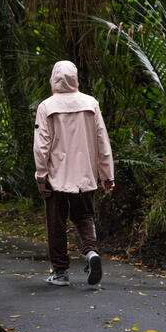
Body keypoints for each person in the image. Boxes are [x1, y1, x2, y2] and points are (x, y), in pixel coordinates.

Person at [33, 60, 114, 286]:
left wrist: (41, 176)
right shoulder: (91, 104)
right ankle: (91, 253)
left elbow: (41, 146)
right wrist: (107, 175)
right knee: (84, 217)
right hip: (86, 176)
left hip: (55, 178)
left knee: (56, 223)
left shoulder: (46, 107)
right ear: (75, 77)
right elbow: (102, 142)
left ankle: (60, 272)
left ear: (53, 78)